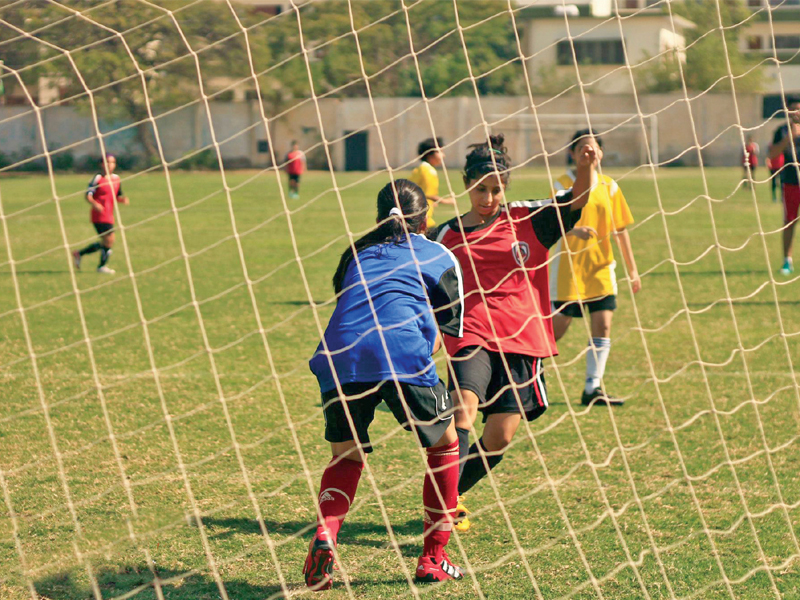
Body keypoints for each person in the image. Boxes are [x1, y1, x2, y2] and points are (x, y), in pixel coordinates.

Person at [305, 180, 466, 589]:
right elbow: (452, 329)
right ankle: (433, 555)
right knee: (445, 443)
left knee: (346, 457)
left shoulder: (355, 252)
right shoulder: (438, 253)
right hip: (402, 352)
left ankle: (326, 533)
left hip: (339, 356)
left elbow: (350, 301)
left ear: (379, 218)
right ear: (426, 218)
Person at [434, 134, 596, 532]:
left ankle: (450, 495)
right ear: (466, 183)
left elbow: (576, 200)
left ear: (505, 187)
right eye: (480, 189)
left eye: (496, 189)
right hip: (472, 335)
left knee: (500, 438)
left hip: (521, 338)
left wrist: (587, 164)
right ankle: (440, 511)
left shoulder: (526, 218)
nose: (488, 198)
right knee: (463, 408)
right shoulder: (444, 236)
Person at [550, 129, 641, 407]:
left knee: (603, 323)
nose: (589, 153)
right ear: (573, 154)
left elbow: (620, 230)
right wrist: (574, 230)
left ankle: (593, 387)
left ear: (600, 153)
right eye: (583, 149)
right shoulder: (563, 182)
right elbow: (553, 216)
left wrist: (633, 269)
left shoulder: (610, 186)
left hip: (601, 267)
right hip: (569, 268)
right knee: (558, 329)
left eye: (594, 149)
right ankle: (527, 372)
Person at [72, 154, 129, 274]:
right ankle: (101, 266)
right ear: (101, 164)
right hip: (99, 215)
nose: (110, 165)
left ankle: (79, 254)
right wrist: (95, 204)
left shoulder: (116, 178)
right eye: (107, 162)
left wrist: (122, 199)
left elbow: (117, 195)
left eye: (112, 162)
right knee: (109, 240)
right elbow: (88, 195)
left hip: (109, 214)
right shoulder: (97, 178)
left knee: (107, 241)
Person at [768, 97, 800, 275]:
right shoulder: (781, 131)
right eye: (792, 109)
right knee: (789, 222)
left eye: (798, 109)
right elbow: (772, 154)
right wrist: (789, 139)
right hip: (790, 182)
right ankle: (787, 261)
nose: (796, 112)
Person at [409, 137, 456, 228]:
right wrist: (447, 201)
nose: (443, 155)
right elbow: (427, 194)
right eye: (440, 152)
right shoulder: (428, 171)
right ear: (429, 155)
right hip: (423, 219)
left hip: (416, 216)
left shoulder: (420, 168)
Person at [766, 137, 785, 204]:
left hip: (781, 166)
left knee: (782, 183)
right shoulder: (771, 146)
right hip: (773, 166)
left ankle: (782, 197)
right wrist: (768, 162)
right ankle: (774, 197)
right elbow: (768, 155)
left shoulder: (782, 145)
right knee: (773, 182)